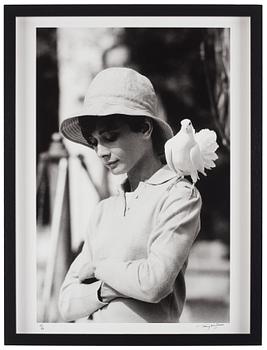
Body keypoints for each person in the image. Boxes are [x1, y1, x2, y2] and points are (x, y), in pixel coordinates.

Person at [58, 67, 202, 323]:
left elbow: (154, 283)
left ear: (145, 129)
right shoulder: (104, 210)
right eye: (94, 142)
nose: (101, 152)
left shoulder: (179, 195)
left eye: (110, 137)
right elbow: (67, 303)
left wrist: (98, 267)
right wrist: (106, 289)